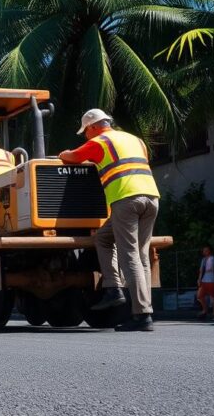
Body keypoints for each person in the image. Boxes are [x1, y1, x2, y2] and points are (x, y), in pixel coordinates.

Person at [59, 109, 160, 332]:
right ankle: (114, 288)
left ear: (93, 126)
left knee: (130, 256)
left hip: (126, 199)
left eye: (85, 131)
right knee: (106, 239)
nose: (85, 135)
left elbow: (71, 157)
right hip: (152, 198)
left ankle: (142, 315)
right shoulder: (135, 140)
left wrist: (62, 153)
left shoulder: (100, 142)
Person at [196, 245, 214, 320]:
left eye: (206, 250)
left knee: (213, 297)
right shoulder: (203, 259)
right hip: (204, 280)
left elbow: (212, 268)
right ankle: (205, 310)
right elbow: (201, 270)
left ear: (210, 251)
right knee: (199, 296)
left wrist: (208, 270)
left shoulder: (213, 258)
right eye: (204, 250)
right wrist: (199, 279)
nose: (204, 251)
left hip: (211, 280)